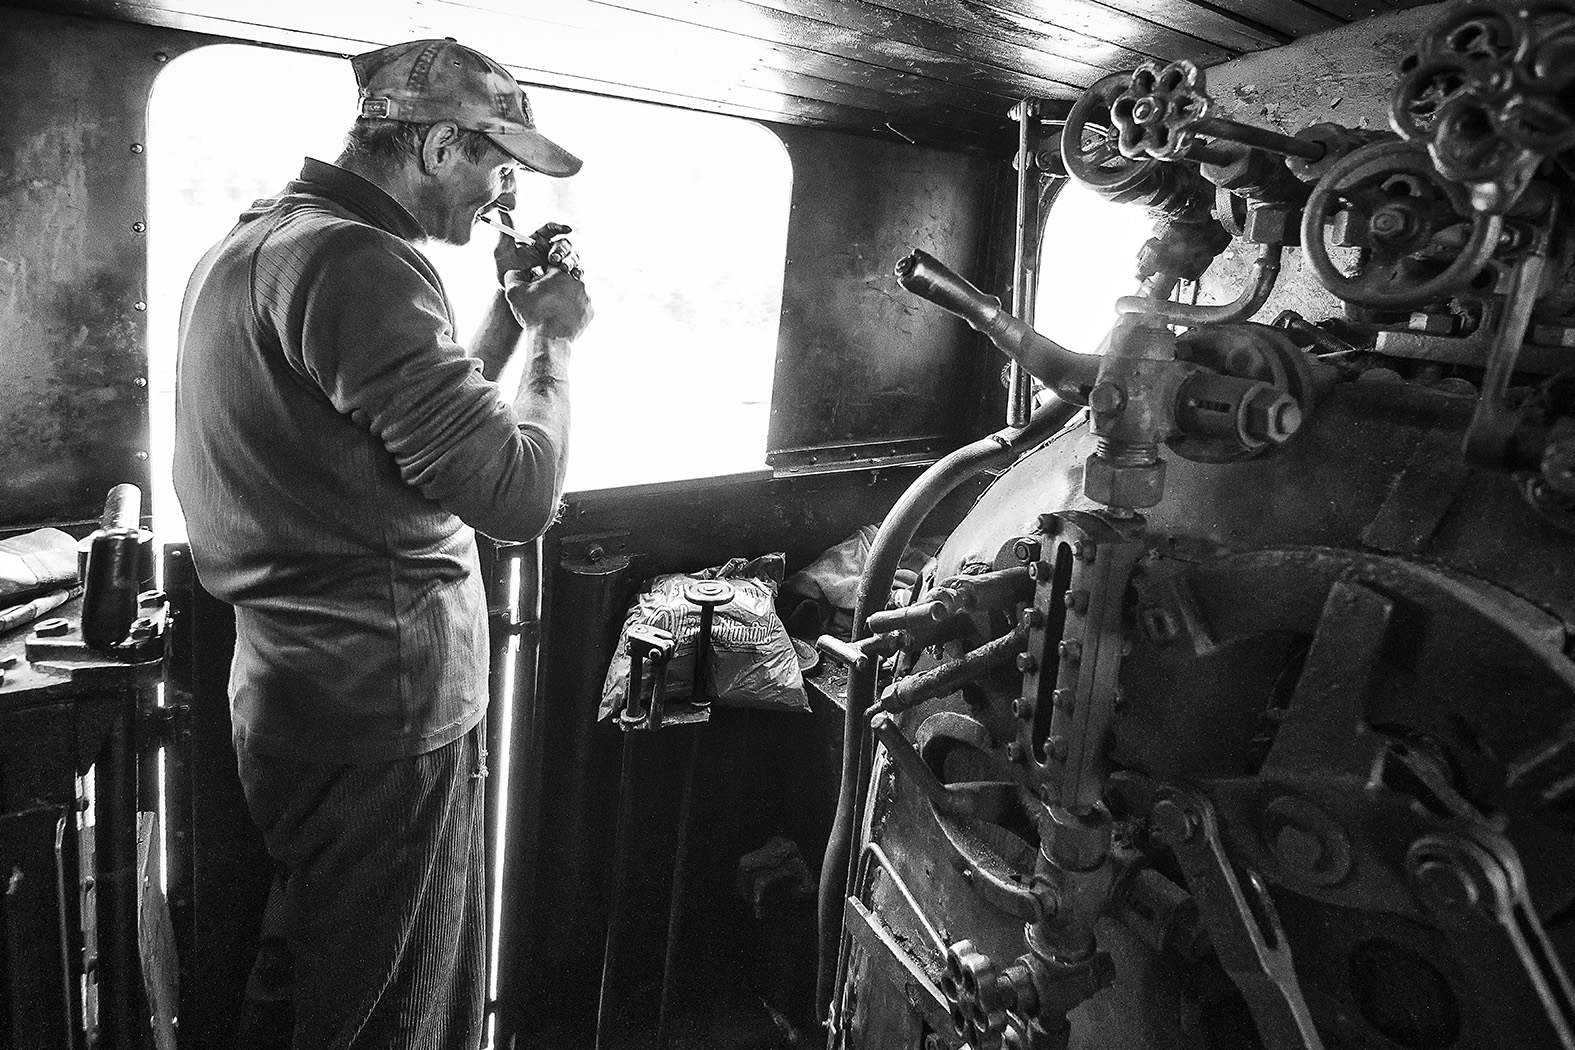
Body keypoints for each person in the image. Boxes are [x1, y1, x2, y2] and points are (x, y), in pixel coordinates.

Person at [172, 37, 593, 1049]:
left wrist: (503, 319)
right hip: (383, 715)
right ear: (440, 147)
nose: (502, 198)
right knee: (380, 1009)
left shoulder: (263, 241)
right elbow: (516, 494)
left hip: (295, 694)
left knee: (314, 981)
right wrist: (555, 336)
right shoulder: (359, 262)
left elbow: (405, 440)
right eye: (498, 166)